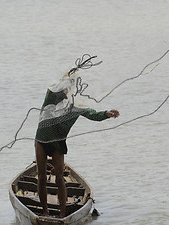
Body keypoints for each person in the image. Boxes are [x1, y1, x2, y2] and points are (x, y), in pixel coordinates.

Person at [35, 71, 120, 217]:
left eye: (69, 86)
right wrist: (68, 74)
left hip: (58, 143)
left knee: (60, 177)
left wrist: (106, 114)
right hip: (42, 140)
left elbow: (92, 114)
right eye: (64, 84)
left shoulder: (75, 106)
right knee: (42, 177)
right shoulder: (51, 96)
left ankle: (62, 214)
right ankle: (45, 212)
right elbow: (56, 85)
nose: (65, 88)